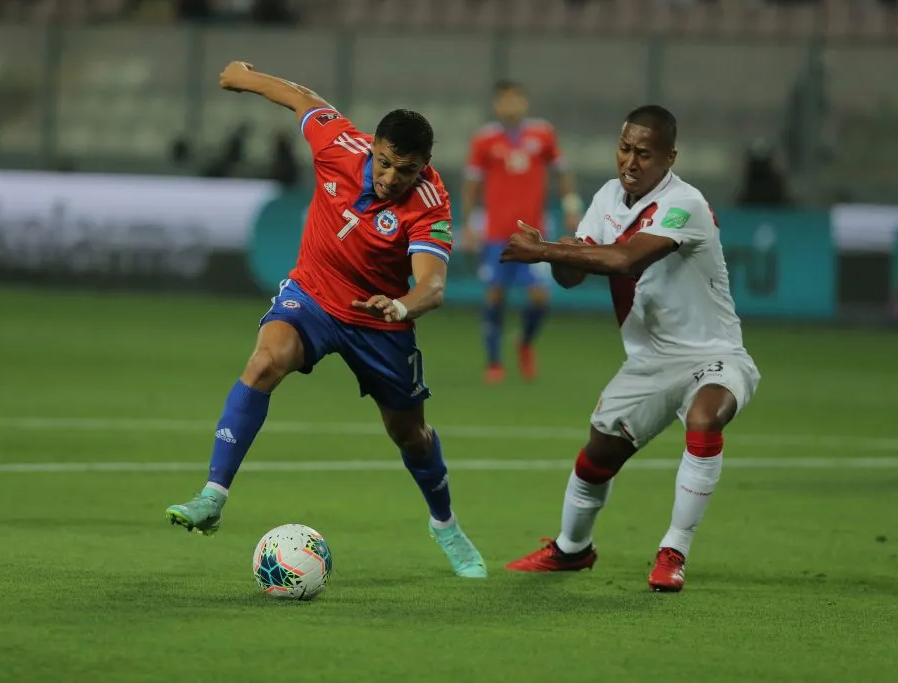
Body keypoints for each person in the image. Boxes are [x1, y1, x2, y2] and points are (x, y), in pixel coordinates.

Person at [165, 61, 487, 579]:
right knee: (265, 361)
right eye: (384, 163)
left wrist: (402, 305)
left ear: (425, 165)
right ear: (374, 146)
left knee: (411, 434)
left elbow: (433, 284)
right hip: (313, 296)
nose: (389, 178)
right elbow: (302, 99)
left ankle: (444, 523)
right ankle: (212, 496)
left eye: (405, 170)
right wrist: (244, 76)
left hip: (380, 321)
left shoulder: (430, 203)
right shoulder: (340, 145)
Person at [499, 105, 761, 592]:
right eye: (625, 149)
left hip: (713, 353)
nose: (631, 162)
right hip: (648, 363)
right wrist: (557, 249)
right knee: (596, 458)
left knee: (705, 420)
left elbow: (623, 259)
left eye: (644, 153)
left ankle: (673, 551)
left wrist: (546, 252)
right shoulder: (607, 198)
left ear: (669, 158)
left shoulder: (686, 204)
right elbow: (573, 276)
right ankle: (571, 550)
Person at [461, 80, 583, 384]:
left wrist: (570, 206)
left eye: (516, 99)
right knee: (494, 295)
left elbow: (562, 171)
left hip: (534, 233)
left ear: (524, 102)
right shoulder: (484, 139)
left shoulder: (542, 133)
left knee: (540, 297)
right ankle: (493, 361)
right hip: (496, 232)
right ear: (496, 105)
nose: (510, 105)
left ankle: (525, 342)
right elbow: (472, 184)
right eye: (504, 100)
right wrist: (468, 223)